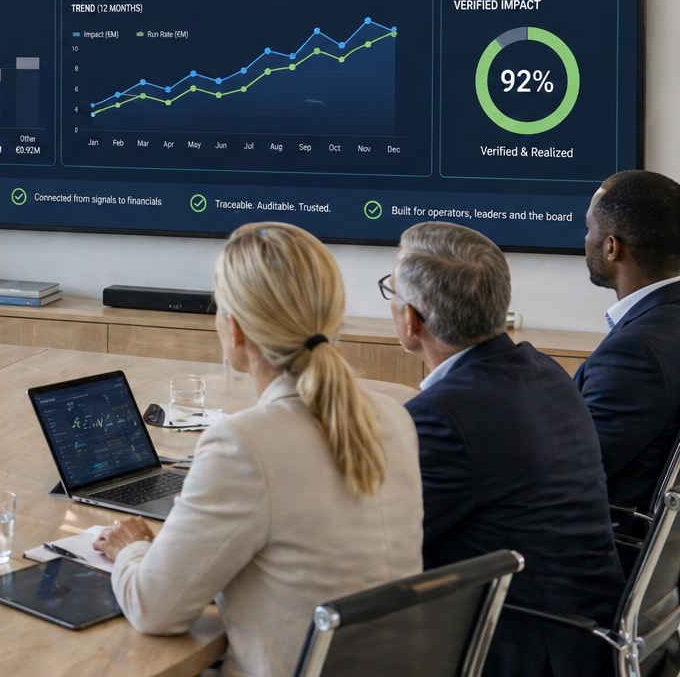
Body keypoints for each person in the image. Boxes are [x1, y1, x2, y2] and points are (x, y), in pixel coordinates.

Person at [94, 222, 423, 677]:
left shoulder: (243, 444)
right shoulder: (395, 417)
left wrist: (132, 549)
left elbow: (154, 610)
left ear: (236, 330)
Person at [388, 221, 623, 677]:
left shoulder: (446, 414)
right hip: (585, 633)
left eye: (390, 291)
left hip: (521, 648)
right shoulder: (540, 368)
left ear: (411, 319)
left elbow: (382, 539)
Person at [578, 169, 680, 511]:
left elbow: (568, 470)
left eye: (589, 227)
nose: (586, 239)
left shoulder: (636, 353)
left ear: (611, 247)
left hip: (604, 546)